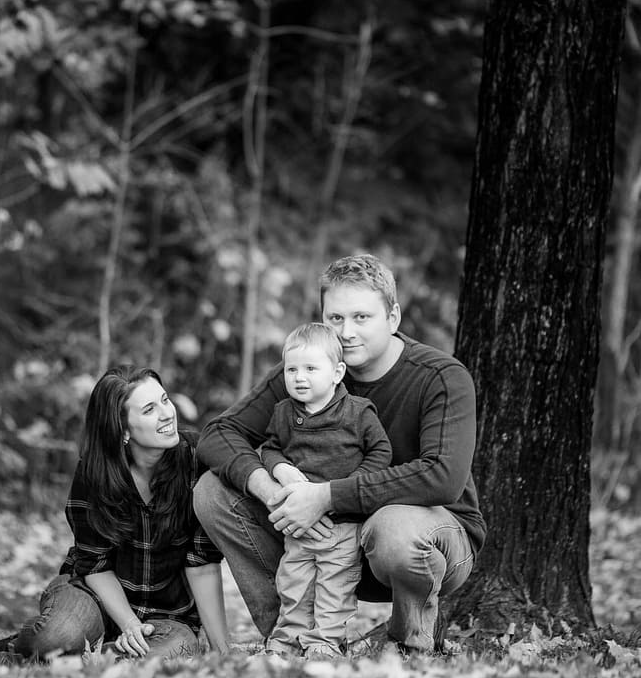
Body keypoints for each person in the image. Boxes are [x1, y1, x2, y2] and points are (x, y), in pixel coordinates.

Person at [193, 253, 486, 654]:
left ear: (394, 317)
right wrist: (272, 488)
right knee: (212, 492)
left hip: (425, 542)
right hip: (322, 543)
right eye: (335, 318)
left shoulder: (441, 378)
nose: (346, 332)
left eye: (362, 317)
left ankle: (408, 642)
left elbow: (442, 477)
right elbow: (218, 433)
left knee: (393, 529)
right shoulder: (308, 371)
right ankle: (295, 637)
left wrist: (325, 497)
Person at [0, 366, 230, 663]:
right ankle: (52, 650)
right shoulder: (96, 473)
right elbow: (95, 565)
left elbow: (202, 564)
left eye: (165, 400)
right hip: (94, 597)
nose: (167, 414)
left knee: (179, 650)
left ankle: (66, 661)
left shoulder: (195, 461)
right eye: (149, 409)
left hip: (167, 614)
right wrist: (128, 623)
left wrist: (223, 652)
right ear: (124, 430)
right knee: (55, 636)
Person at [259, 322, 392, 658]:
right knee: (294, 583)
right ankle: (287, 640)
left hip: (342, 523)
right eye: (292, 369)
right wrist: (281, 469)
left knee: (335, 586)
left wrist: (353, 485)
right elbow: (271, 448)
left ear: (337, 373)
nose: (299, 377)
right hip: (299, 524)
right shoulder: (284, 412)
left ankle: (324, 642)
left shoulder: (358, 412)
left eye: (310, 369)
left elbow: (381, 452)